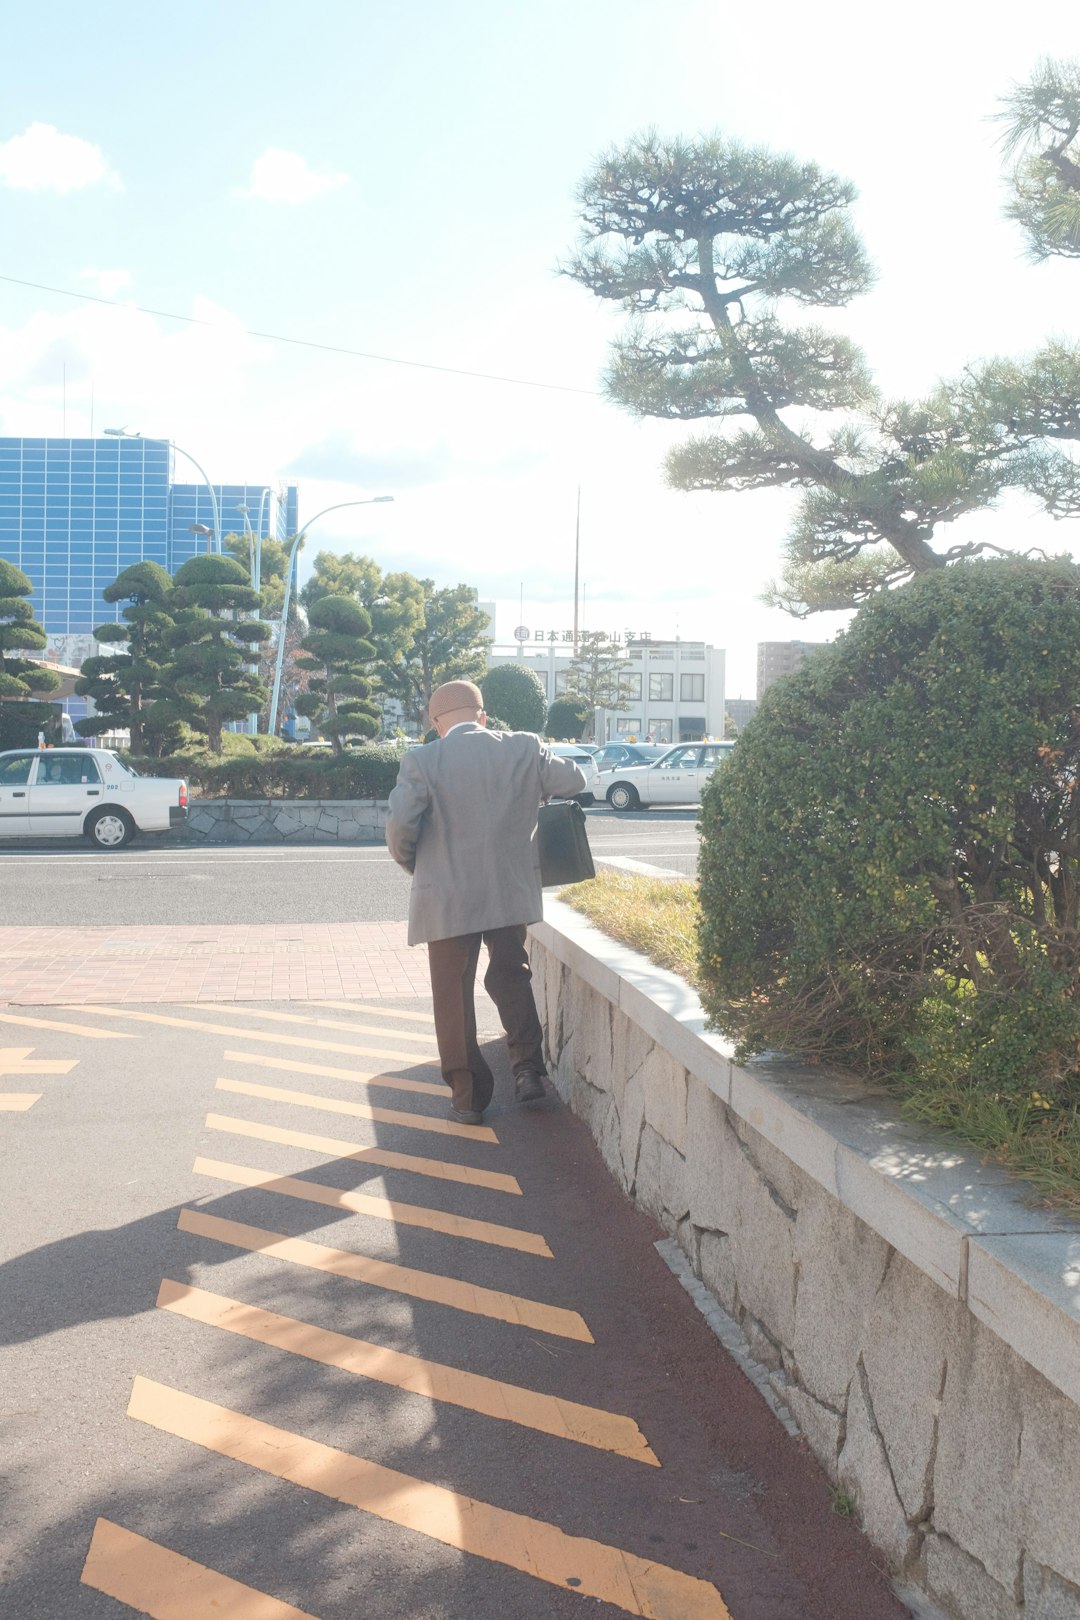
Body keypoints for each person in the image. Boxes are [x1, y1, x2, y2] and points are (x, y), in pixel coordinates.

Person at [385, 679, 586, 1125]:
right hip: (507, 891)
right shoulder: (522, 746)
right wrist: (537, 785)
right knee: (511, 974)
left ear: (437, 723)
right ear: (483, 716)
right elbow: (576, 779)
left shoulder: (422, 760)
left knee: (453, 994)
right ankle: (528, 1069)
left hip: (446, 896)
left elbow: (400, 830)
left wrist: (419, 866)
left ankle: (468, 1098)